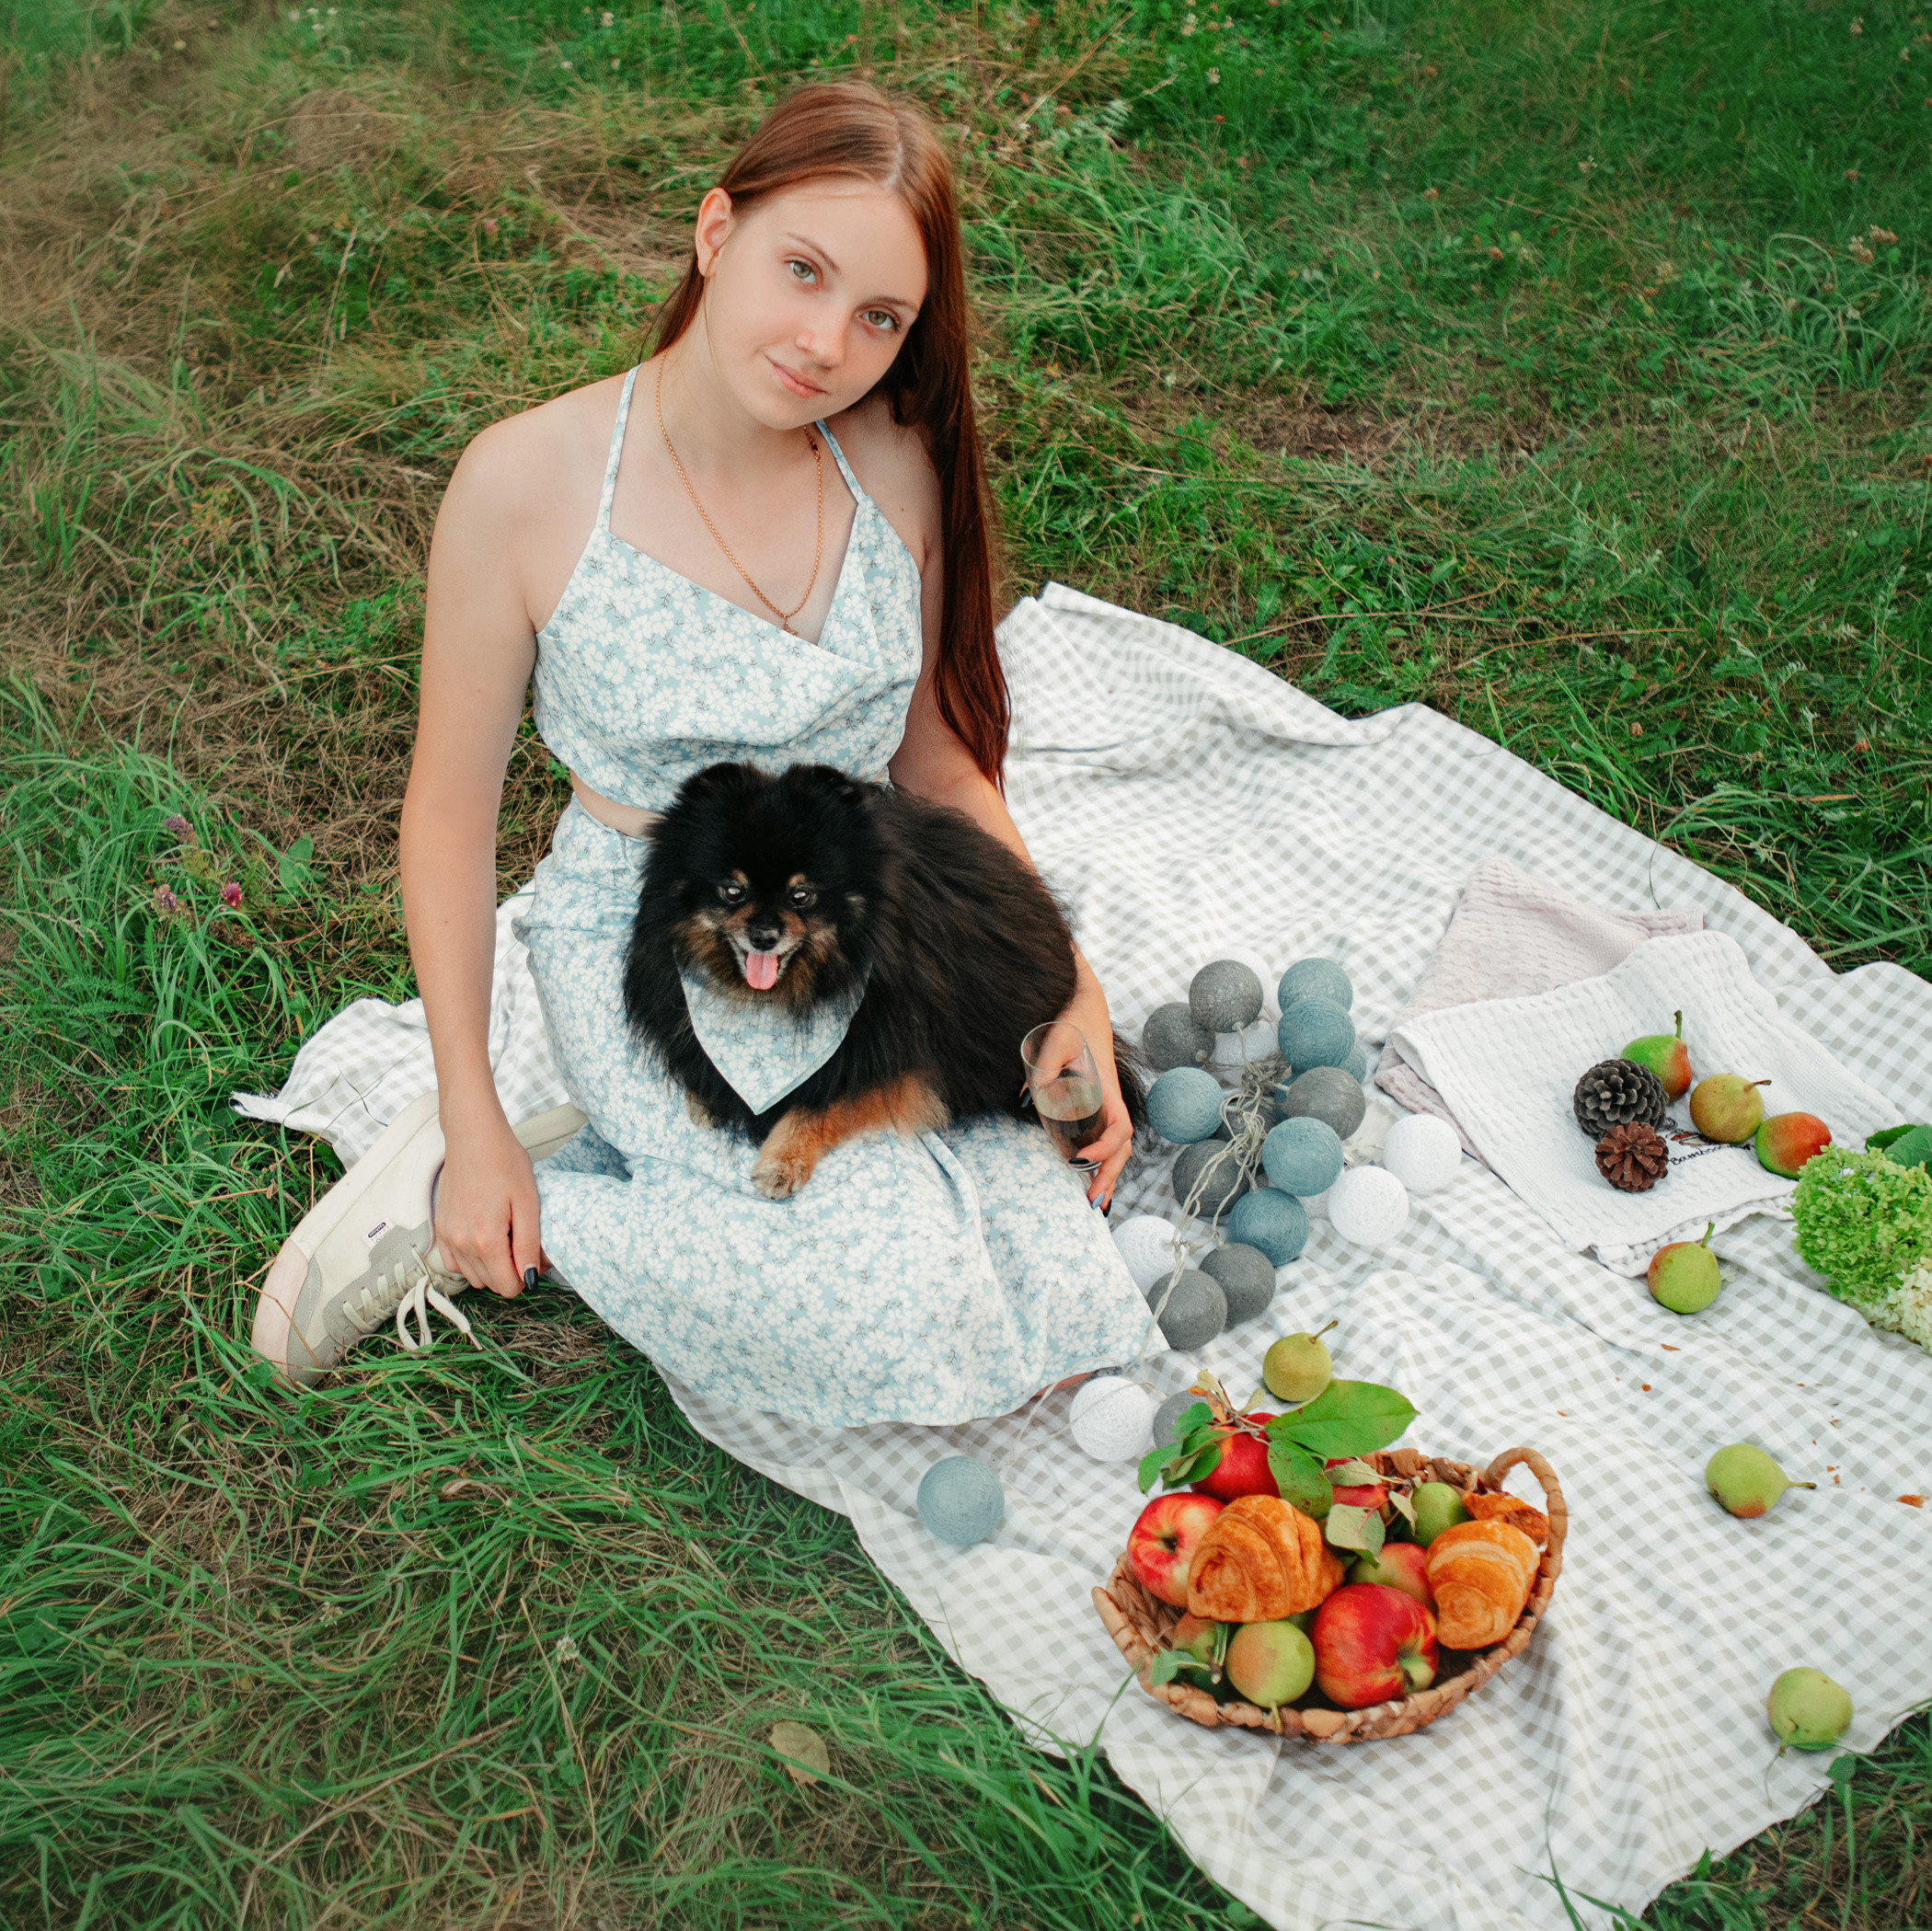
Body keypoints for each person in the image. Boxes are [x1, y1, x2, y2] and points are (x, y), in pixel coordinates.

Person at [249, 82, 1151, 1425]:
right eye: (802, 270)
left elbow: (945, 768)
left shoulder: (896, 459)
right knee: (888, 1306)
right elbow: (445, 823)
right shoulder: (526, 485)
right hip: (661, 936)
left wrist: (1065, 981)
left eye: (878, 317)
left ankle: (659, 1176)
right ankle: (485, 1195)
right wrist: (476, 1109)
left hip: (871, 911)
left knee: (1036, 1222)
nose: (825, 343)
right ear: (715, 230)